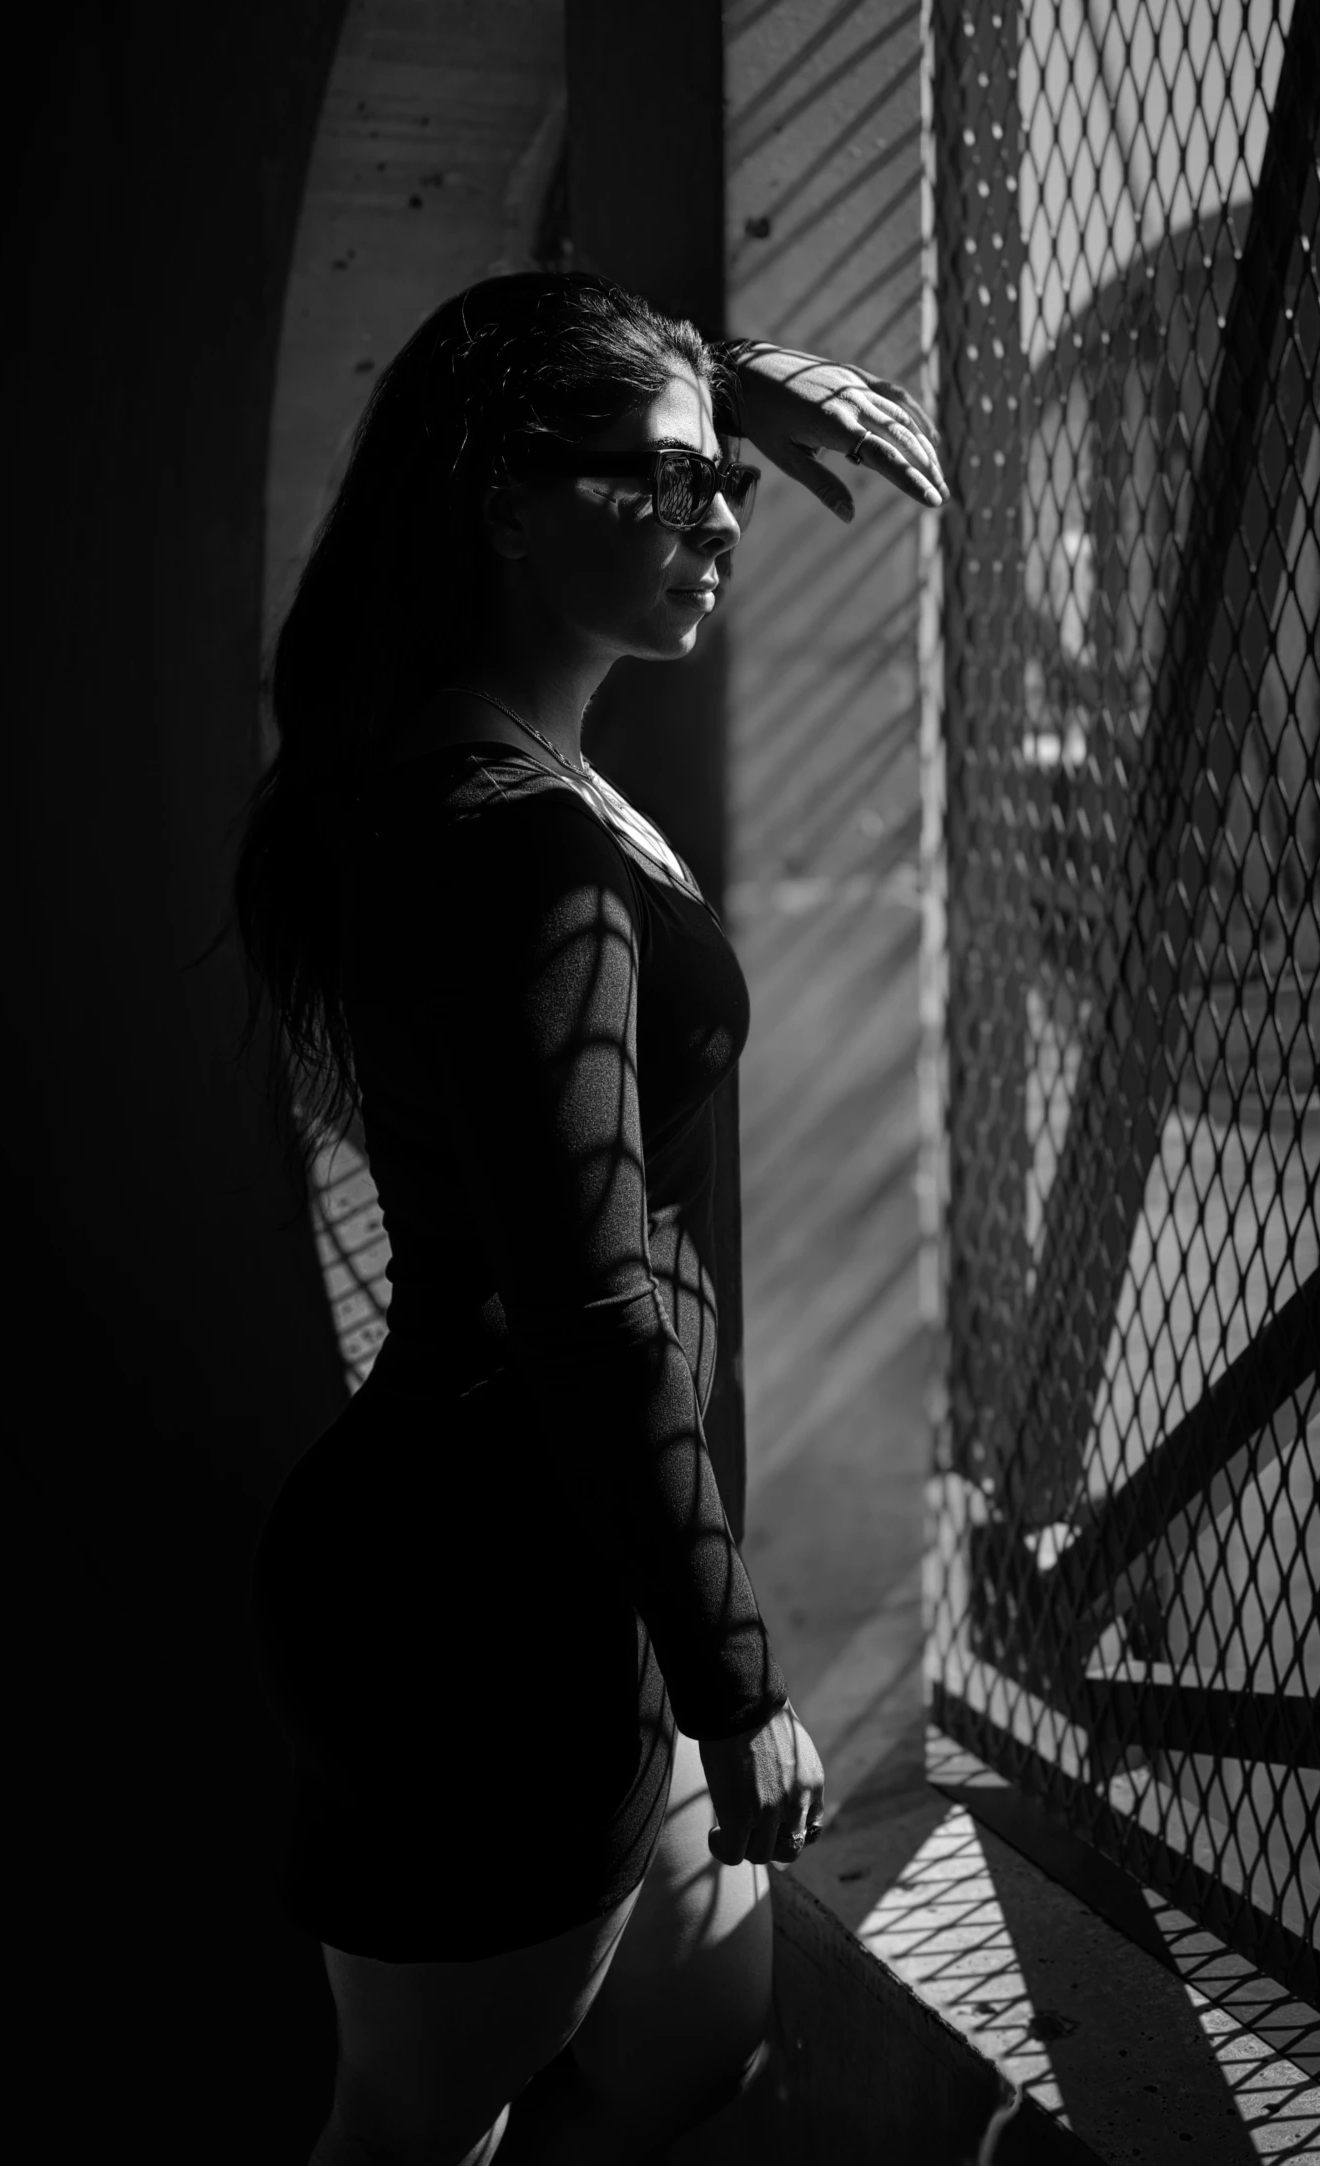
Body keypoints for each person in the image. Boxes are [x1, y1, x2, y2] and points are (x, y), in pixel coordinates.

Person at [234, 270, 946, 2165]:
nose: (718, 513)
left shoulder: (460, 764)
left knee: (691, 2044)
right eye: (663, 480)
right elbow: (591, 1306)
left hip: (536, 1567)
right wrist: (738, 1685)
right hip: (497, 1609)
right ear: (500, 501)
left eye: (718, 480)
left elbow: (523, 407)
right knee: (407, 2131)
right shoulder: (509, 841)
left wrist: (701, 394)